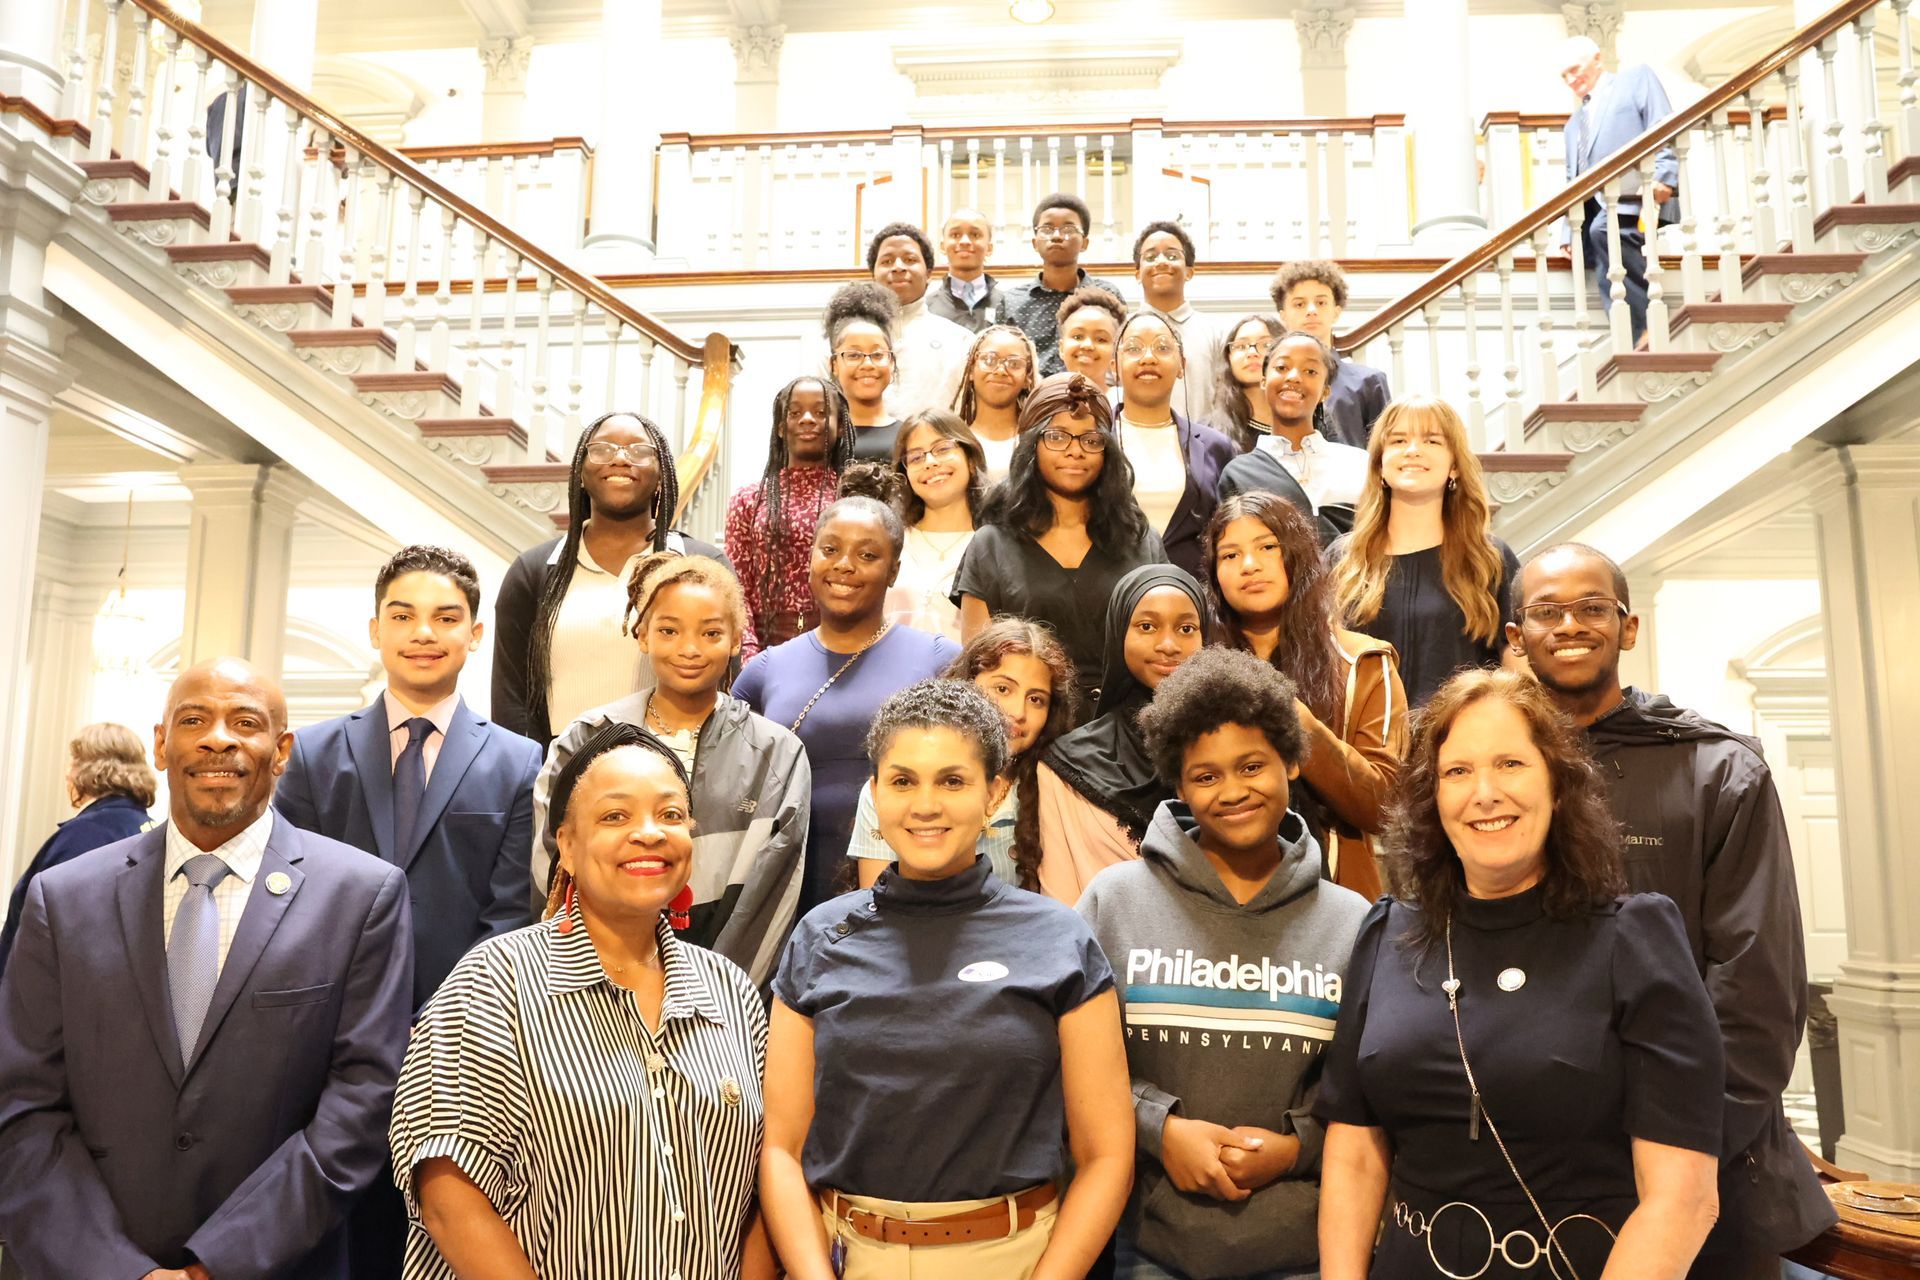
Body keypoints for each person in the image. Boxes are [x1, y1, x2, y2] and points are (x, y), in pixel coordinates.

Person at [0, 658, 413, 1280]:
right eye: (193, 720)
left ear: (281, 751)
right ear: (161, 745)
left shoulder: (361, 898)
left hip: (277, 1265)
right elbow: (23, 1103)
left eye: (245, 722)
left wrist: (215, 1266)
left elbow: (360, 1106)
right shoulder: (62, 898)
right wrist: (117, 1270)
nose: (218, 738)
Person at [1316, 670, 1724, 1279]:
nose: (1485, 793)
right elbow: (1354, 1152)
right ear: (1433, 799)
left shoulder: (1633, 940)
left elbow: (1683, 1199)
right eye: (1458, 771)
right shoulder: (1387, 933)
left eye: (1510, 764)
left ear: (1557, 785)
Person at [1507, 543, 1837, 1275]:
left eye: (1592, 608)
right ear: (1515, 636)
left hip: (1704, 1162)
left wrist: (1679, 1154)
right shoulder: (1490, 782)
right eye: (1547, 611)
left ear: (1627, 628)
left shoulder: (1717, 771)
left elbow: (1757, 990)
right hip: (1533, 1167)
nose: (1570, 625)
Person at [760, 679, 1133, 1280]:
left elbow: (1107, 1155)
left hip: (1014, 1259)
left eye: (953, 781)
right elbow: (781, 1149)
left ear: (994, 793)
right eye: (903, 781)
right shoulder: (819, 938)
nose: (925, 805)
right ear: (874, 794)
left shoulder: (1059, 939)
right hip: (851, 1256)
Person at [392, 722, 774, 1280]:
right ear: (566, 847)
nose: (649, 833)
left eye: (670, 815)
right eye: (615, 816)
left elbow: (766, 1184)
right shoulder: (494, 980)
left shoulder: (731, 990)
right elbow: (448, 1197)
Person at [1080, 648, 1371, 1280]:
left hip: (1305, 1250)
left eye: (1252, 766)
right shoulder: (1112, 902)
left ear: (1291, 762)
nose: (1233, 791)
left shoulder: (1352, 922)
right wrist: (1159, 1129)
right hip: (1142, 1249)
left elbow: (1369, 1092)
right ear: (1178, 785)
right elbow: (1070, 1068)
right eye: (1206, 776)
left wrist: (1297, 1148)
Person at [277, 544, 542, 1008]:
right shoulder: (313, 754)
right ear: (375, 630)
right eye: (402, 617)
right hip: (331, 1006)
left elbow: (511, 912)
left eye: (446, 618)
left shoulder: (517, 761)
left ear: (475, 634)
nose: (423, 633)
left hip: (465, 1015)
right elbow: (291, 891)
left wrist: (449, 1011)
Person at [532, 553, 812, 990]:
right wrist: (598, 974)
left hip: (724, 990)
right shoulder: (587, 737)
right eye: (669, 630)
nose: (690, 649)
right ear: (642, 635)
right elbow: (553, 862)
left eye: (711, 633)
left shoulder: (777, 755)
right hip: (590, 979)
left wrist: (720, 994)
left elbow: (772, 897)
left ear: (737, 640)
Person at [734, 496, 961, 913]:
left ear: (893, 571)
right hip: (785, 886)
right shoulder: (765, 669)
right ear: (811, 558)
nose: (844, 565)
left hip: (907, 882)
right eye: (830, 549)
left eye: (867, 555)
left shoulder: (940, 659)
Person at [1206, 493, 1408, 899]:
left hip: (1335, 889)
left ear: (1297, 555)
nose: (1249, 565)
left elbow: (1384, 804)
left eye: (1267, 547)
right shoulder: (1200, 666)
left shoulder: (1364, 662)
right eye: (1230, 555)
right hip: (1218, 887)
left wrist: (1302, 728)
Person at [492, 409, 726, 745]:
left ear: (661, 474)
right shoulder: (533, 571)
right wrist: (534, 772)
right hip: (562, 765)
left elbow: (725, 683)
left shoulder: (699, 566)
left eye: (639, 451)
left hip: (673, 762)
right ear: (580, 472)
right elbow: (510, 698)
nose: (620, 459)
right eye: (602, 449)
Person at [953, 373, 1168, 704]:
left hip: (1129, 721)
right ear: (1031, 445)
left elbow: (1167, 645)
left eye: (1091, 440)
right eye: (1057, 437)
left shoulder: (1141, 541)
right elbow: (978, 671)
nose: (1075, 451)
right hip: (1027, 722)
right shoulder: (990, 545)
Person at [848, 619, 1081, 890]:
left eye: (1036, 699)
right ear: (967, 684)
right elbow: (876, 902)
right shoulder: (892, 790)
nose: (1018, 712)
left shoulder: (1053, 789)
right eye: (1003, 689)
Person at [1034, 564, 1211, 905]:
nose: (1168, 645)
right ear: (1118, 633)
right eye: (1147, 626)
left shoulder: (1233, 750)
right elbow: (1061, 899)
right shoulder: (1066, 764)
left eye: (1186, 628)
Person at [1330, 396, 1520, 707]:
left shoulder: (1490, 558)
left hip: (1463, 732)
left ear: (1454, 466)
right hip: (1366, 736)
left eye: (1431, 440)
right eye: (1398, 440)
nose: (1413, 450)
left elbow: (1516, 663)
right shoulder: (1342, 559)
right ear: (1379, 465)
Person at [0, 723, 154, 976]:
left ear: (85, 769)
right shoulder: (151, 832)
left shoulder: (84, 838)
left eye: (72, 762)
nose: (66, 774)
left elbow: (50, 936)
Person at [725, 376, 857, 660]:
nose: (807, 419)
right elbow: (736, 586)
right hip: (764, 647)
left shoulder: (856, 499)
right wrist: (748, 654)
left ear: (841, 427)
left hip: (843, 643)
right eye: (795, 413)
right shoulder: (749, 499)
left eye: (820, 412)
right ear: (781, 428)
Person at [1559, 36, 1679, 346]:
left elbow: (1662, 125)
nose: (1571, 80)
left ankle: (1651, 326)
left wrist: (1664, 174)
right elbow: (1572, 179)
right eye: (1564, 75)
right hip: (1595, 210)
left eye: (1575, 69)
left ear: (1598, 59)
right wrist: (1567, 231)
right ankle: (1630, 338)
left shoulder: (1635, 80)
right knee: (1604, 268)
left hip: (1636, 194)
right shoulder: (1573, 124)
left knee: (1602, 231)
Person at [1113, 310, 1236, 581]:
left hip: (1193, 591)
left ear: (1181, 365)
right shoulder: (1093, 442)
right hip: (1109, 592)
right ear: (1115, 367)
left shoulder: (1216, 447)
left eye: (1162, 347)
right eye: (1133, 348)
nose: (1148, 357)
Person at [1217, 330, 1370, 526]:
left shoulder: (1358, 464)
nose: (1294, 377)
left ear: (1325, 392)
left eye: (1310, 371)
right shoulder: (1240, 473)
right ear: (1263, 381)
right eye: (1282, 367)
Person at [883, 409, 988, 640]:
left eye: (942, 449)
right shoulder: (890, 540)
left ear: (971, 460)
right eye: (916, 457)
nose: (930, 463)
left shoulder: (995, 544)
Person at [1270, 261, 1391, 448]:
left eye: (1321, 303)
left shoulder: (1369, 382)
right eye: (1299, 304)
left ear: (1336, 312)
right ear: (1283, 315)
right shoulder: (1271, 383)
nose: (1311, 311)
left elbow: (1384, 449)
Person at [1002, 193, 1125, 376]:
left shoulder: (1107, 295)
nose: (1057, 236)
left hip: (1095, 390)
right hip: (1033, 394)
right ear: (1035, 242)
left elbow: (1123, 352)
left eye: (1068, 229)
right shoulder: (1012, 301)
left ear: (1084, 243)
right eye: (1047, 229)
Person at [868, 223, 971, 417]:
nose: (898, 267)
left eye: (910, 259)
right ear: (873, 274)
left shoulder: (960, 341)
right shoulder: (847, 339)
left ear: (929, 273)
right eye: (887, 261)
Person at [1132, 220, 1221, 427]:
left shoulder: (1215, 332)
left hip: (1202, 442)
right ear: (1137, 274)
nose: (1161, 262)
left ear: (1189, 272)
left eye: (1172, 256)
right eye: (1150, 257)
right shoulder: (1122, 331)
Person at [825, 282, 906, 461]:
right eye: (854, 355)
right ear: (834, 365)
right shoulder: (822, 438)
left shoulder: (909, 437)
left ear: (892, 362)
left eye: (877, 354)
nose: (867, 364)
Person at [952, 323, 1040, 479]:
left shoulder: (1039, 442)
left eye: (1014, 363)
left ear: (1027, 376)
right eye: (989, 360)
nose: (1000, 371)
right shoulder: (952, 441)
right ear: (971, 369)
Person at [1213, 314, 1284, 453]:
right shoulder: (1210, 432)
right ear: (1229, 357)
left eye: (1266, 345)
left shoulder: (1312, 422)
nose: (1252, 353)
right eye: (1241, 346)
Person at [928, 208, 1005, 332]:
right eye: (955, 235)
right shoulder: (927, 308)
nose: (965, 241)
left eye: (975, 235)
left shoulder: (1007, 304)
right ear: (942, 246)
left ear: (989, 248)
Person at [1057, 285, 1127, 396]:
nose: (1087, 345)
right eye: (1078, 337)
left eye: (1101, 339)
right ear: (1061, 348)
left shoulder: (1125, 401)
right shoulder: (1044, 399)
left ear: (1115, 352)